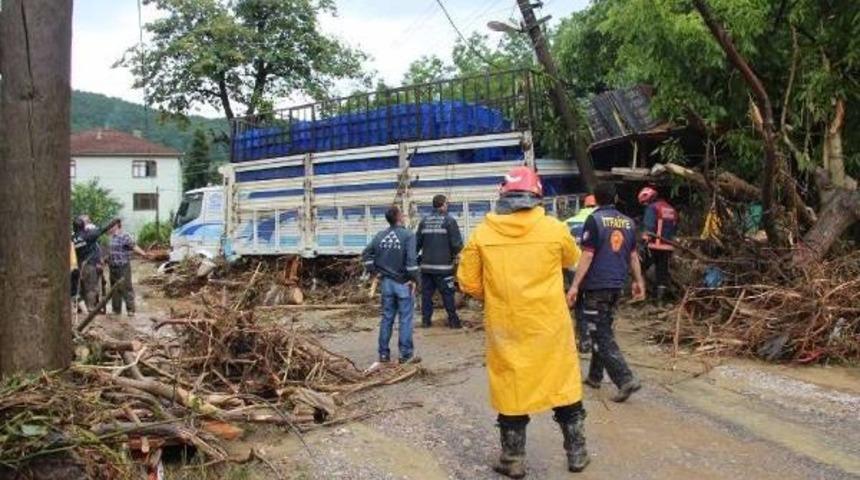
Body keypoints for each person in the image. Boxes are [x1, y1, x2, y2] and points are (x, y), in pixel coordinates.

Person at [458, 166, 589, 477]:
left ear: (503, 195)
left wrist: (496, 298)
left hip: (507, 326)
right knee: (563, 387)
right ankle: (577, 454)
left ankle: (513, 460)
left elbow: (468, 282)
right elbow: (571, 260)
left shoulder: (483, 233)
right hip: (549, 326)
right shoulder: (555, 230)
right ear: (537, 196)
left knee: (511, 390)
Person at [567, 182, 646, 403]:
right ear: (616, 198)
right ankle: (594, 376)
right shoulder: (628, 223)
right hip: (616, 286)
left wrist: (574, 285)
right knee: (601, 328)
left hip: (596, 285)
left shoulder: (595, 219)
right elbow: (633, 256)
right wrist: (639, 281)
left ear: (596, 199)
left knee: (600, 333)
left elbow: (588, 255)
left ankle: (625, 378)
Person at [362, 206, 421, 364]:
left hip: (386, 283)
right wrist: (415, 279)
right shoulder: (408, 235)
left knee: (387, 318)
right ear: (399, 217)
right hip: (403, 284)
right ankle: (406, 355)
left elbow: (366, 254)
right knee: (405, 319)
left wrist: (374, 271)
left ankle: (383, 354)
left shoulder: (381, 236)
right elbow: (411, 262)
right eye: (402, 213)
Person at [416, 194, 463, 329]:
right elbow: (457, 244)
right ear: (443, 205)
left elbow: (416, 244)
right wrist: (456, 256)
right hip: (444, 268)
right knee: (448, 294)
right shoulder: (449, 221)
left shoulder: (424, 221)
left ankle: (426, 321)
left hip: (426, 268)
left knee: (426, 295)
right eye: (446, 204)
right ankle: (453, 322)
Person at [563, 194, 598, 351]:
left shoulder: (567, 223)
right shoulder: (598, 221)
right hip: (592, 268)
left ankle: (583, 339)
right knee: (593, 304)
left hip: (572, 268)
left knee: (578, 303)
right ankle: (593, 339)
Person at [638, 186, 678, 301]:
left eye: (644, 203)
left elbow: (648, 228)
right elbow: (675, 228)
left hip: (653, 246)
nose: (645, 205)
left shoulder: (652, 208)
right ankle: (659, 300)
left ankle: (641, 294)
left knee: (639, 268)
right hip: (668, 246)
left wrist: (642, 242)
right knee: (662, 273)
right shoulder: (671, 209)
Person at [72, 215, 119, 311]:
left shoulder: (72, 238)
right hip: (89, 265)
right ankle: (90, 309)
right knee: (91, 288)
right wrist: (114, 221)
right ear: (83, 226)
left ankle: (81, 309)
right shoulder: (89, 235)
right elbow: (104, 229)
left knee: (80, 288)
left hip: (77, 266)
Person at [108, 219, 149, 317]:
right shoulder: (112, 238)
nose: (109, 227)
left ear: (117, 226)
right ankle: (116, 310)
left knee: (126, 287)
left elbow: (133, 246)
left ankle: (130, 310)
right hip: (113, 267)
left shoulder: (124, 236)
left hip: (123, 266)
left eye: (111, 225)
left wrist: (144, 254)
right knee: (115, 289)